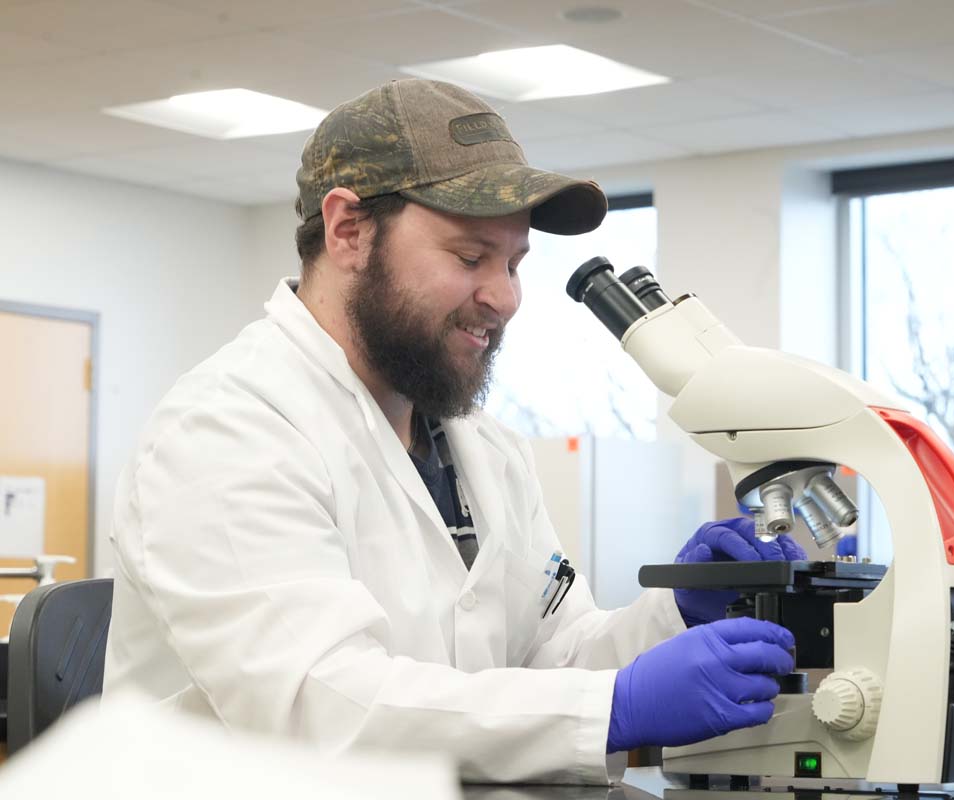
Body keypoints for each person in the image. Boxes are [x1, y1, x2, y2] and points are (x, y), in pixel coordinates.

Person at [102, 79, 805, 784]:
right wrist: (615, 707)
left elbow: (553, 657)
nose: (503, 297)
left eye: (513, 263)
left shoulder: (479, 447)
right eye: (470, 257)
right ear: (348, 230)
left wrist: (673, 616)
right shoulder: (227, 430)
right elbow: (323, 704)